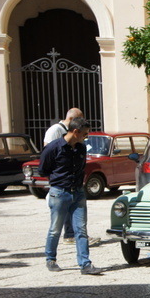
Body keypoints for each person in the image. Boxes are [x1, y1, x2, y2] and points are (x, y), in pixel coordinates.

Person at [38, 117, 102, 275]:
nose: (86, 137)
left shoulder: (81, 148)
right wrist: (58, 181)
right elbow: (43, 170)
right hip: (60, 193)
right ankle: (50, 259)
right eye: (85, 134)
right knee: (55, 229)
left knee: (81, 229)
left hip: (78, 193)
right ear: (75, 132)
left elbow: (82, 167)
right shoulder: (54, 148)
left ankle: (85, 264)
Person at [43, 108, 99, 246]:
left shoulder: (80, 145)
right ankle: (58, 247)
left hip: (75, 185)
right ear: (73, 122)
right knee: (55, 227)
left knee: (79, 222)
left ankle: (74, 238)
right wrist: (57, 180)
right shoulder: (55, 131)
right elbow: (46, 158)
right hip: (60, 185)